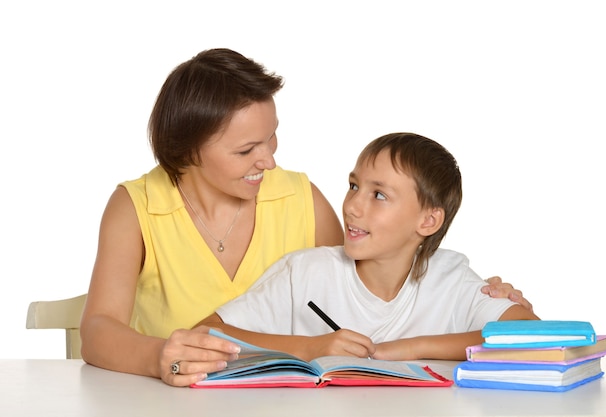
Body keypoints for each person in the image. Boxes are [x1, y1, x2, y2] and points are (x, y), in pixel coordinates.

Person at [79, 48, 532, 387]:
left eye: (271, 139)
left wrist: (493, 306)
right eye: (246, 150)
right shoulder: (136, 206)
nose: (268, 161)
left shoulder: (301, 197)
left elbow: (353, 293)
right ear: (189, 150)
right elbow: (98, 331)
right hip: (162, 399)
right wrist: (162, 357)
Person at [201, 132, 540, 363]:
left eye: (378, 195)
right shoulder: (305, 273)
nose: (352, 206)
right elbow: (204, 332)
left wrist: (411, 348)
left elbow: (532, 335)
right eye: (353, 186)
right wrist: (310, 347)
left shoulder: (450, 278)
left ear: (428, 221)